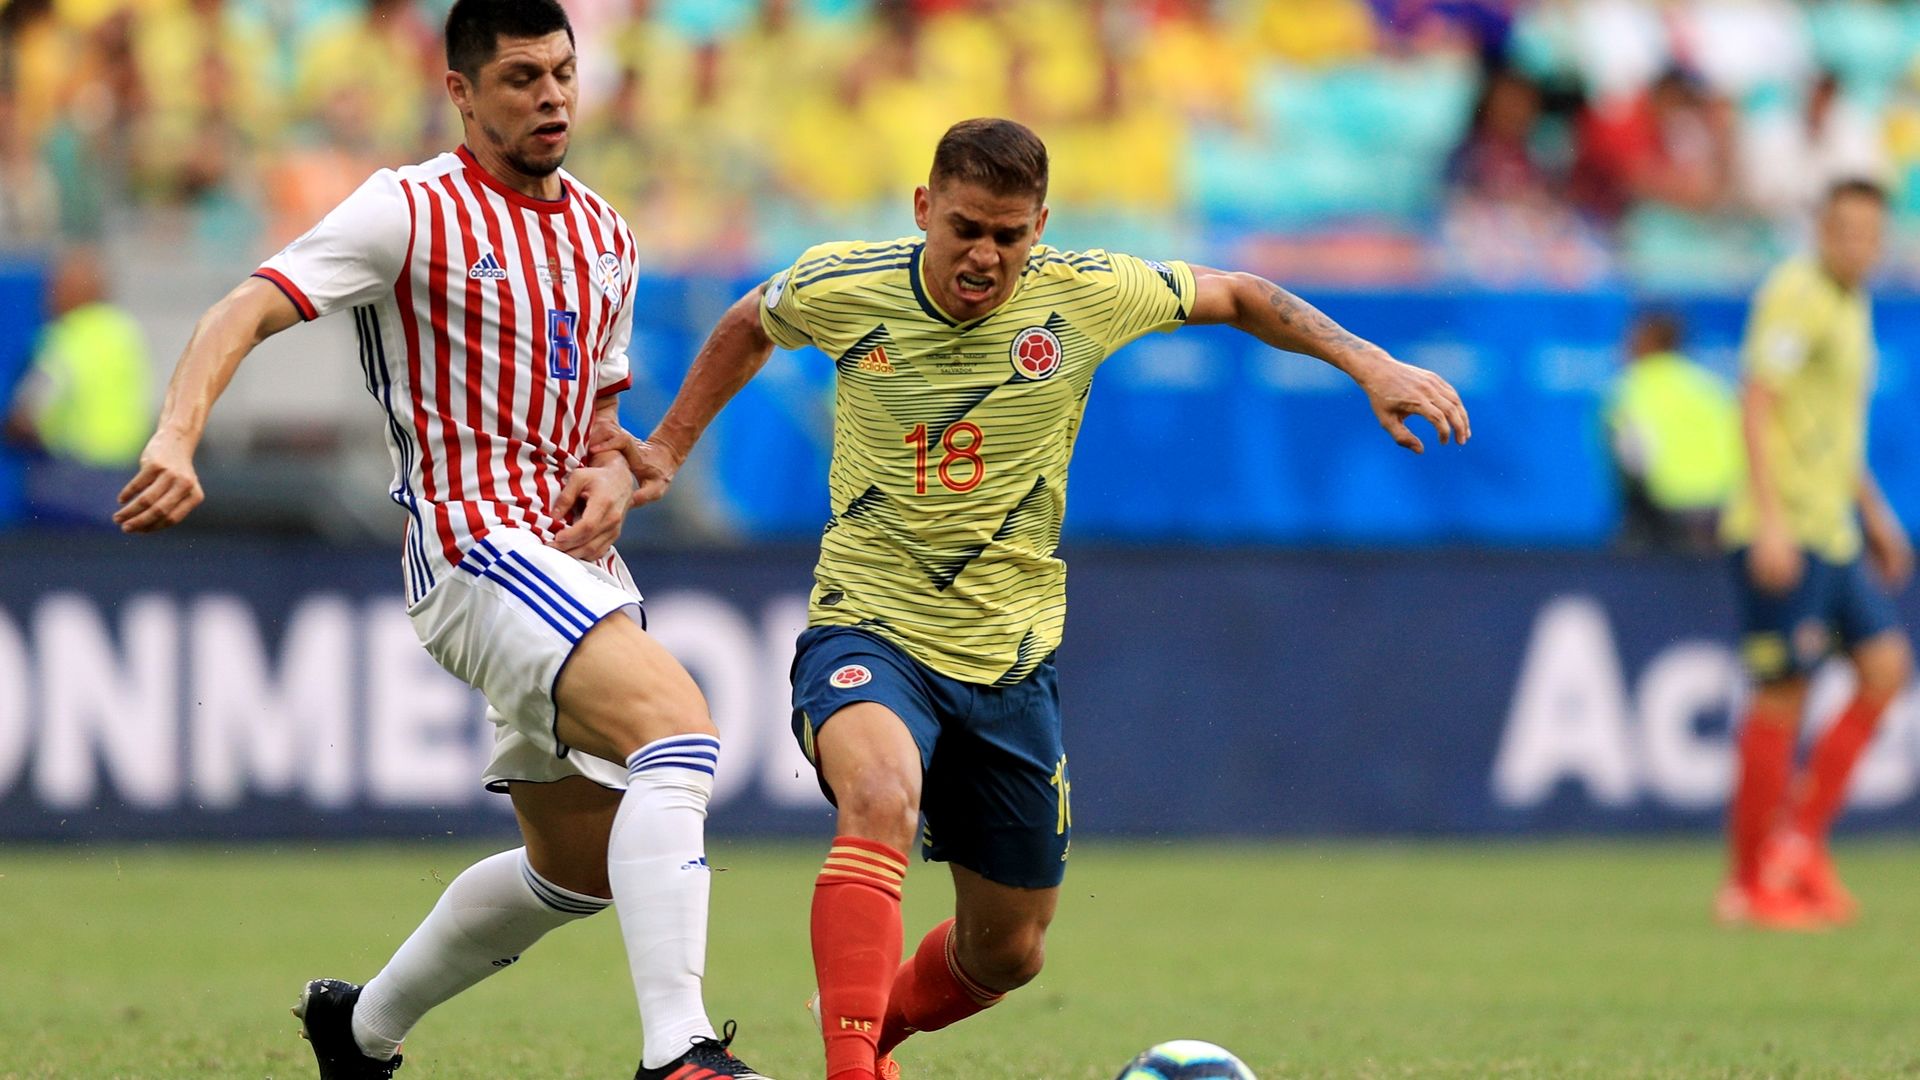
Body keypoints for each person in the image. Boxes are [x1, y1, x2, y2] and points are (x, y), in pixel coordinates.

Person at [592, 118, 1469, 1080]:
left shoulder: (1085, 294)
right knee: (880, 795)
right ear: (923, 208)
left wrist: (1372, 364)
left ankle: (868, 1028)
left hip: (1010, 663)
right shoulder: (845, 284)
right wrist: (667, 447)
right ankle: (850, 1068)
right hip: (869, 627)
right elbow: (750, 323)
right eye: (965, 228)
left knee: (1008, 951)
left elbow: (1239, 293)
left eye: (1009, 236)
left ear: (1040, 227)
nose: (985, 256)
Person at [112, 2, 769, 1077]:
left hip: (572, 565)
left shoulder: (608, 236)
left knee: (577, 870)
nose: (552, 97)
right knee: (679, 732)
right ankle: (679, 1054)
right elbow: (243, 309)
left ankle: (359, 1029)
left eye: (563, 72)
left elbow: (597, 427)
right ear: (460, 91)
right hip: (476, 551)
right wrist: (177, 435)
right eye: (521, 78)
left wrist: (611, 476)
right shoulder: (406, 212)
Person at [1717, 178, 1913, 930]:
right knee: (1782, 694)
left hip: (1833, 528)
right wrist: (1769, 521)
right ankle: (1748, 884)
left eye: (1870, 232)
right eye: (1845, 230)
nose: (1857, 244)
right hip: (1786, 528)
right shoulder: (1795, 295)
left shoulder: (1852, 304)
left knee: (1885, 669)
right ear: (1821, 230)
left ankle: (1797, 845)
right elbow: (1756, 402)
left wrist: (1876, 516)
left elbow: (1828, 426)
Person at [1605, 310, 1739, 553]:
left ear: (1646, 343)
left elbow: (1632, 458)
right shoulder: (1712, 385)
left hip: (1667, 513)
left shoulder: (1630, 387)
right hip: (1722, 510)